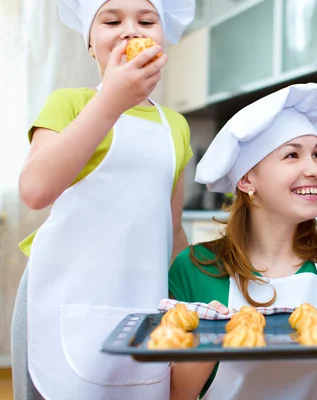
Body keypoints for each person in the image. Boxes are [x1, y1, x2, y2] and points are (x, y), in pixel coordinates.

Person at [11, 0, 195, 399]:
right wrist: (110, 100)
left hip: (142, 304)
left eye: (147, 21)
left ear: (162, 43)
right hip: (61, 301)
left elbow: (172, 228)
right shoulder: (72, 104)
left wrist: (200, 299)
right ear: (91, 44)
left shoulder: (176, 126)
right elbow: (35, 190)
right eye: (111, 20)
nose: (131, 30)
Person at [168, 83, 317, 400]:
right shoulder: (193, 269)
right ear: (246, 179)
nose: (314, 169)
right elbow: (174, 395)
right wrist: (209, 342)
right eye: (292, 155)